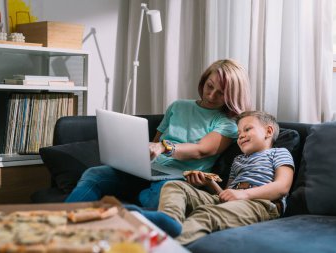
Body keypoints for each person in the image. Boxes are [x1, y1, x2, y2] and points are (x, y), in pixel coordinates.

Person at [65, 59, 252, 209]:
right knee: (95, 174)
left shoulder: (228, 123)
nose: (211, 95)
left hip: (179, 179)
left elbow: (201, 150)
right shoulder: (178, 106)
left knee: (157, 198)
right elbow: (154, 144)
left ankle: (135, 202)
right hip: (151, 171)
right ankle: (62, 221)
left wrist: (165, 147)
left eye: (221, 93)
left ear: (231, 96)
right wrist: (137, 155)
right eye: (209, 86)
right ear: (204, 80)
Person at [132, 111, 295, 244]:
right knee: (175, 186)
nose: (241, 136)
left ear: (268, 131)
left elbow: (282, 187)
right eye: (239, 133)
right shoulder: (238, 160)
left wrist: (244, 194)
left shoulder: (278, 153)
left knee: (207, 213)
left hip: (261, 204)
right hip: (233, 200)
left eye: (247, 129)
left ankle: (162, 245)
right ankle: (169, 220)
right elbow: (226, 194)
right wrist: (209, 183)